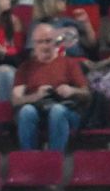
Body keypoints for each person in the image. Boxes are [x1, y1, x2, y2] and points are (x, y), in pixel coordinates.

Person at [12, 24, 91, 152]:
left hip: (66, 109)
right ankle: (28, 158)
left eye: (48, 41)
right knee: (26, 111)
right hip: (39, 108)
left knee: (57, 110)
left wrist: (71, 90)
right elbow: (16, 100)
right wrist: (36, 96)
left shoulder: (69, 63)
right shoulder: (25, 68)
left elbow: (87, 93)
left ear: (56, 42)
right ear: (34, 44)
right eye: (40, 42)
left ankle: (55, 158)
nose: (45, 46)